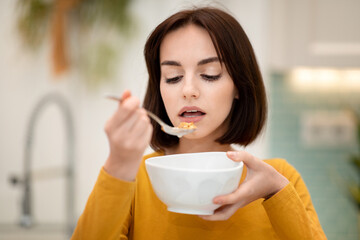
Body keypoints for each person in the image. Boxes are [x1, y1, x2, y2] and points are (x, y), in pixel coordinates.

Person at [71, 7, 327, 240]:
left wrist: (276, 191)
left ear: (238, 85)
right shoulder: (134, 177)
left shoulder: (280, 179)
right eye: (173, 77)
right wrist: (118, 163)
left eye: (209, 74)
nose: (188, 90)